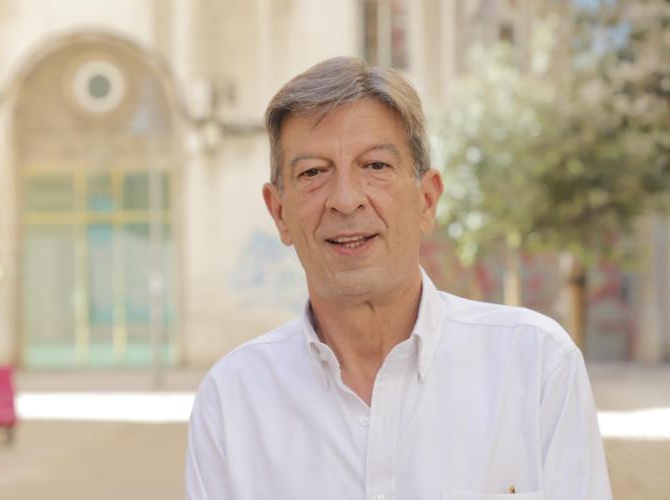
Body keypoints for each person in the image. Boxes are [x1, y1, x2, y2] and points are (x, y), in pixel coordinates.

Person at [185, 57, 612, 500]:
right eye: (313, 172)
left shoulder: (535, 366)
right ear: (279, 213)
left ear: (427, 200)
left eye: (375, 166)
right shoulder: (232, 401)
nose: (346, 200)